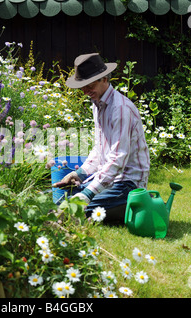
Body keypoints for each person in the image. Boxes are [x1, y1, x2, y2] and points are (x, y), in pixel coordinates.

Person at [53, 53, 150, 224]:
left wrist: (88, 193)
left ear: (104, 79)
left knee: (75, 209)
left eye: (89, 85)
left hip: (128, 183)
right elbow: (100, 149)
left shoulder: (119, 109)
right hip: (109, 179)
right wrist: (79, 174)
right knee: (60, 202)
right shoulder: (98, 104)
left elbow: (117, 159)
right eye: (82, 87)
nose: (85, 91)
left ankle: (130, 206)